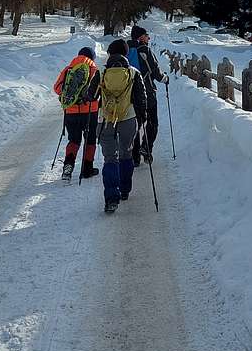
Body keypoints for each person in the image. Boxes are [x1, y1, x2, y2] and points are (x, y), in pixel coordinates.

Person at [99, 38, 147, 213]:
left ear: (110, 53)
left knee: (110, 158)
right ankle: (125, 190)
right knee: (126, 152)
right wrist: (142, 117)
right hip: (128, 118)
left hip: (105, 120)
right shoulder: (134, 72)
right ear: (126, 53)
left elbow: (90, 96)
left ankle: (111, 198)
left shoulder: (101, 72)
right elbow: (142, 99)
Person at [53, 46, 101, 181]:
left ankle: (68, 166)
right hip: (90, 112)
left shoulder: (68, 70)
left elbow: (57, 88)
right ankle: (87, 169)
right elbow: (99, 92)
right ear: (92, 58)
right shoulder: (95, 71)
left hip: (70, 112)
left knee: (73, 140)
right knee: (90, 140)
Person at [126, 25, 168, 165]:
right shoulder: (144, 50)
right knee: (152, 122)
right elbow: (156, 72)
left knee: (136, 124)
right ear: (140, 37)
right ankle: (146, 147)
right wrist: (165, 79)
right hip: (147, 92)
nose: (148, 38)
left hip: (130, 94)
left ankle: (135, 156)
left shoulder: (125, 50)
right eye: (146, 35)